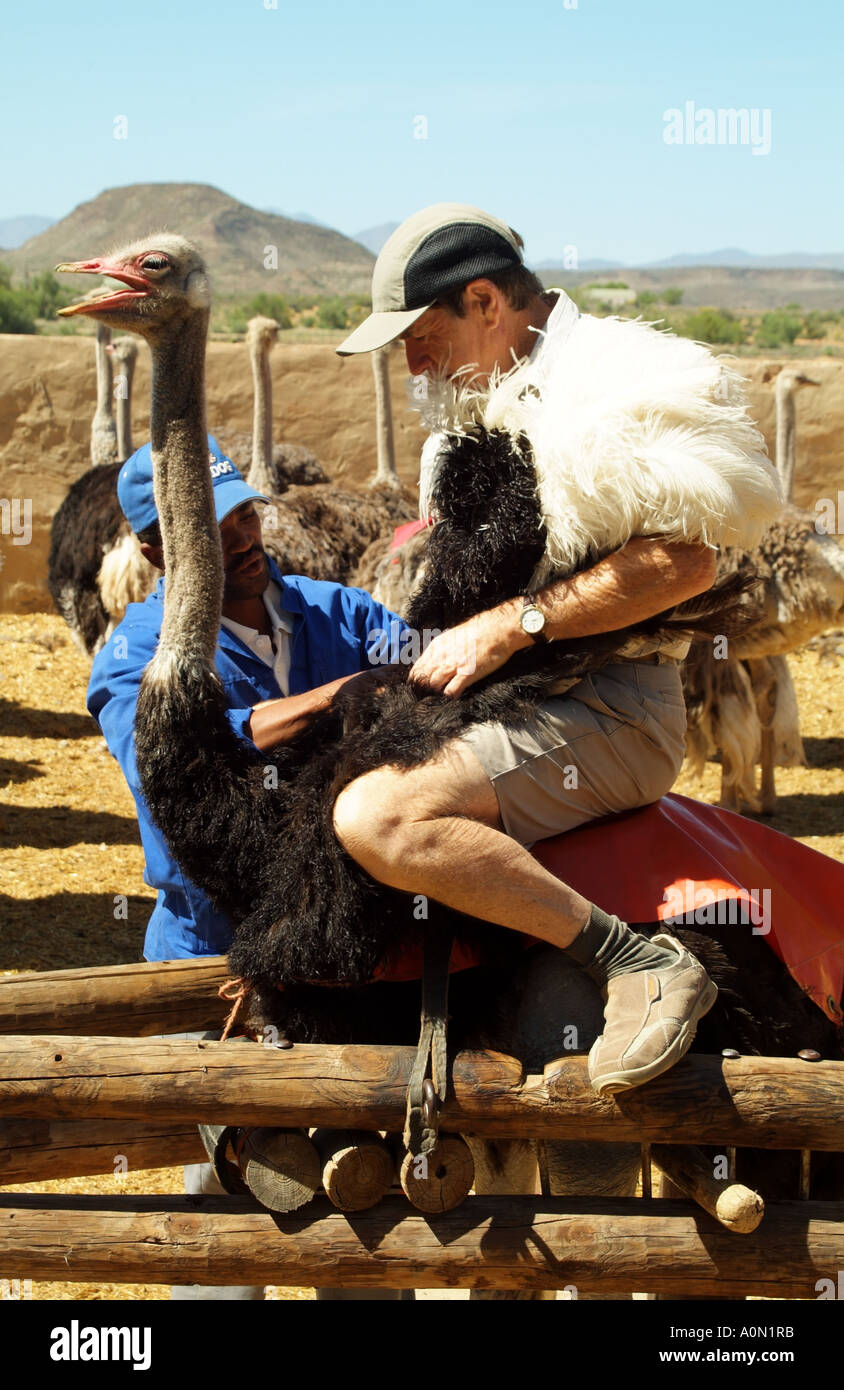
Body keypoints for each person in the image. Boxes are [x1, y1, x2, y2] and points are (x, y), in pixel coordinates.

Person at [333, 202, 783, 1097]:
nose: (411, 363)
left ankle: (636, 962)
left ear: (486, 302)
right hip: (508, 697)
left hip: (609, 704)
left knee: (378, 820)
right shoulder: (475, 410)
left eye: (421, 336)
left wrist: (515, 625)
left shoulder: (616, 387)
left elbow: (685, 560)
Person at [87, 435, 409, 1301]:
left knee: (365, 1204)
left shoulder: (330, 613)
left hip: (343, 951)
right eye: (208, 525)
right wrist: (329, 705)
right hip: (215, 956)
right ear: (157, 549)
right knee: (232, 1213)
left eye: (242, 512)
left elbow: (417, 664)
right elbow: (173, 771)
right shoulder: (136, 656)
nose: (238, 534)